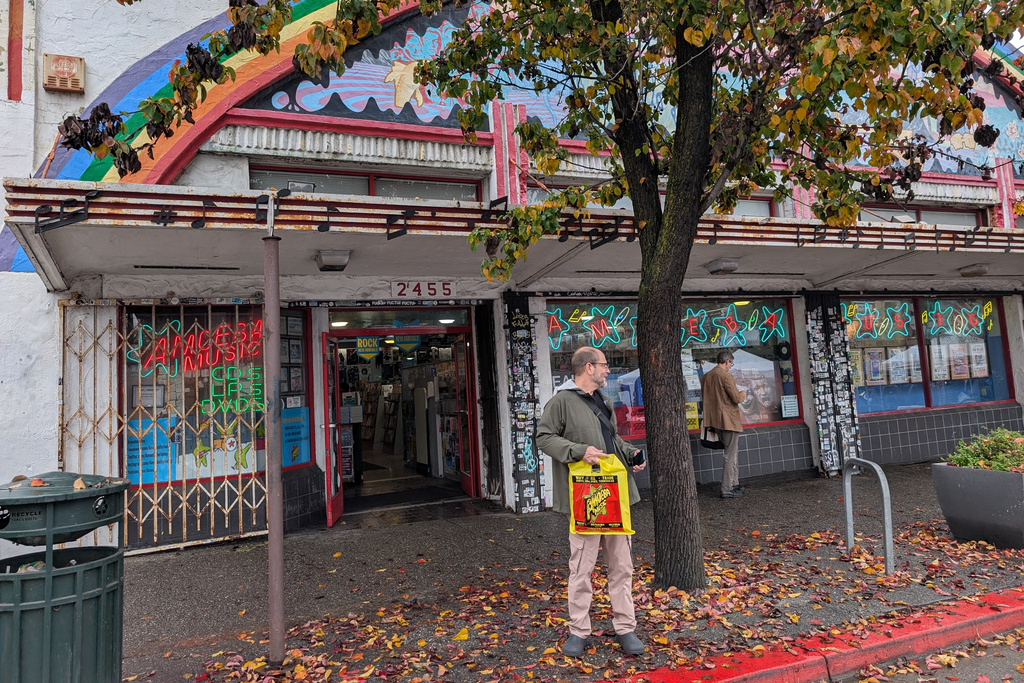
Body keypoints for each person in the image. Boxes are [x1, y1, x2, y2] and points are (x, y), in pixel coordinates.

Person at [536, 346, 648, 657]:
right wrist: (579, 451)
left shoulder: (604, 401)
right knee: (581, 568)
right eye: (603, 365)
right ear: (588, 368)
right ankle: (578, 630)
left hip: (615, 495)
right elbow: (543, 437)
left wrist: (631, 454)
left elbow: (611, 440)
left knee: (621, 566)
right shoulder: (560, 401)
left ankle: (626, 627)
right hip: (585, 498)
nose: (607, 370)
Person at [700, 350, 747, 498]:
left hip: (714, 420)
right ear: (726, 361)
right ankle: (727, 487)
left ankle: (734, 483)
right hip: (728, 420)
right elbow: (736, 398)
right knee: (730, 454)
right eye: (730, 363)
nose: (730, 366)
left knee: (731, 453)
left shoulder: (707, 376)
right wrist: (743, 393)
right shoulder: (726, 376)